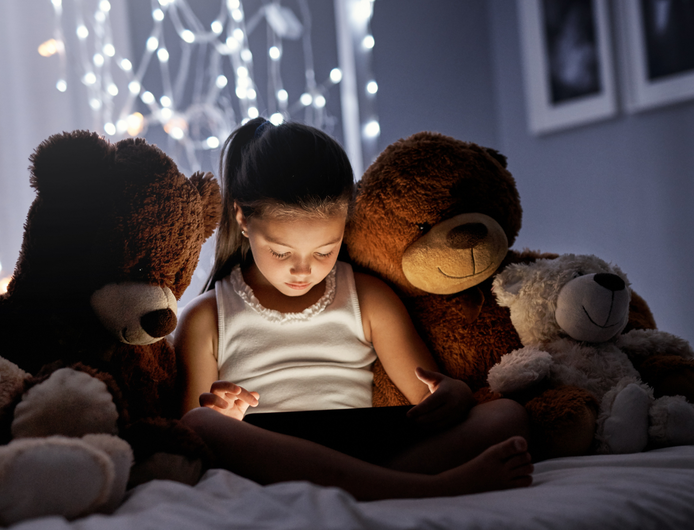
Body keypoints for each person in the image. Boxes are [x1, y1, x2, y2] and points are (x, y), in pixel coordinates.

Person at [174, 118, 533, 501]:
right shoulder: (206, 317)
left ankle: (365, 486)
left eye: (324, 251)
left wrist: (454, 394)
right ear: (242, 218)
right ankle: (429, 488)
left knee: (507, 415)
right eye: (280, 252)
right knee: (202, 424)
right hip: (272, 458)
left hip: (364, 451)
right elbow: (189, 436)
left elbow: (427, 395)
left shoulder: (368, 297)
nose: (303, 270)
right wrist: (223, 414)